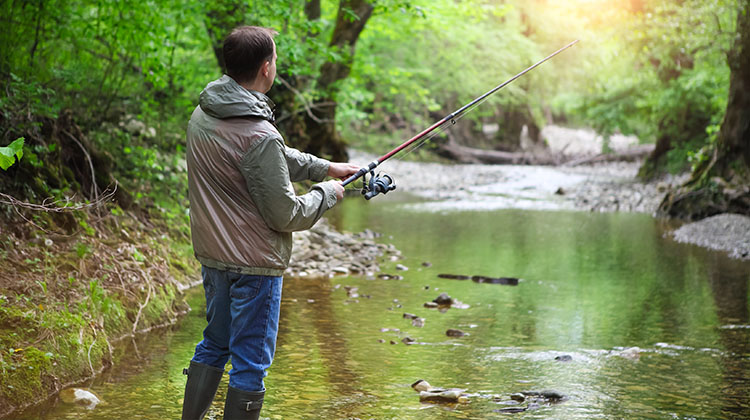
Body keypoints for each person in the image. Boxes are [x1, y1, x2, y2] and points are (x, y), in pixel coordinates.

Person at [181, 25, 359, 420]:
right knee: (250, 363)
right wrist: (328, 192)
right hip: (254, 267)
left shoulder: (206, 111)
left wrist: (324, 166)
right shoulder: (258, 132)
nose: (275, 65)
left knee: (214, 343)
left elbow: (266, 156)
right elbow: (287, 214)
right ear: (266, 68)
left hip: (213, 257)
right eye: (275, 59)